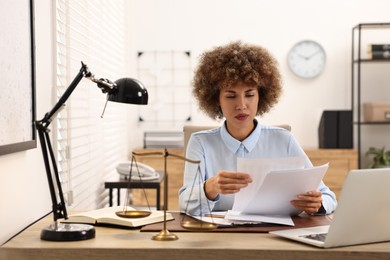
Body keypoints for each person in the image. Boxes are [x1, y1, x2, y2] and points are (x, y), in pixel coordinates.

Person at [178, 41, 337, 216]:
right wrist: (211, 187)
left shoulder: (284, 140)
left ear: (261, 96)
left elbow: (328, 196)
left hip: (274, 236)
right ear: (216, 99)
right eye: (231, 96)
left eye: (250, 95)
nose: (241, 105)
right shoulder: (200, 142)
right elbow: (185, 205)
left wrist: (317, 203)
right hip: (220, 238)